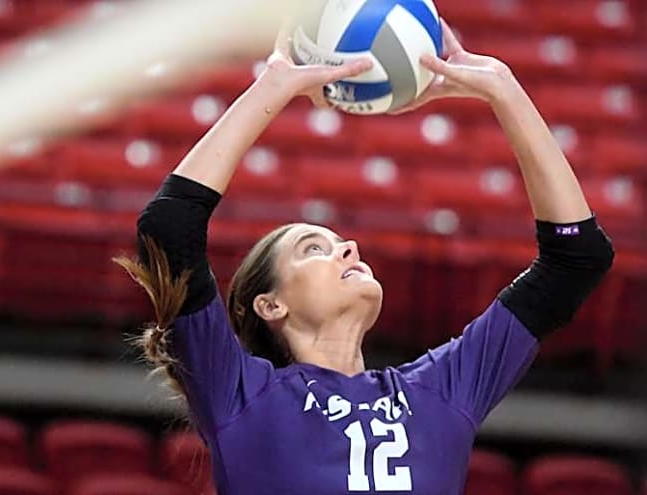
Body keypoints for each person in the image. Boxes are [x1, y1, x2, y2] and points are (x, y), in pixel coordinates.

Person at [114, 20, 614, 495]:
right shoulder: (240, 393)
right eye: (314, 249)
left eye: (339, 243)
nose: (348, 248)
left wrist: (503, 90)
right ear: (270, 305)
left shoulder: (438, 391)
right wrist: (274, 87)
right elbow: (168, 227)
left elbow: (576, 256)